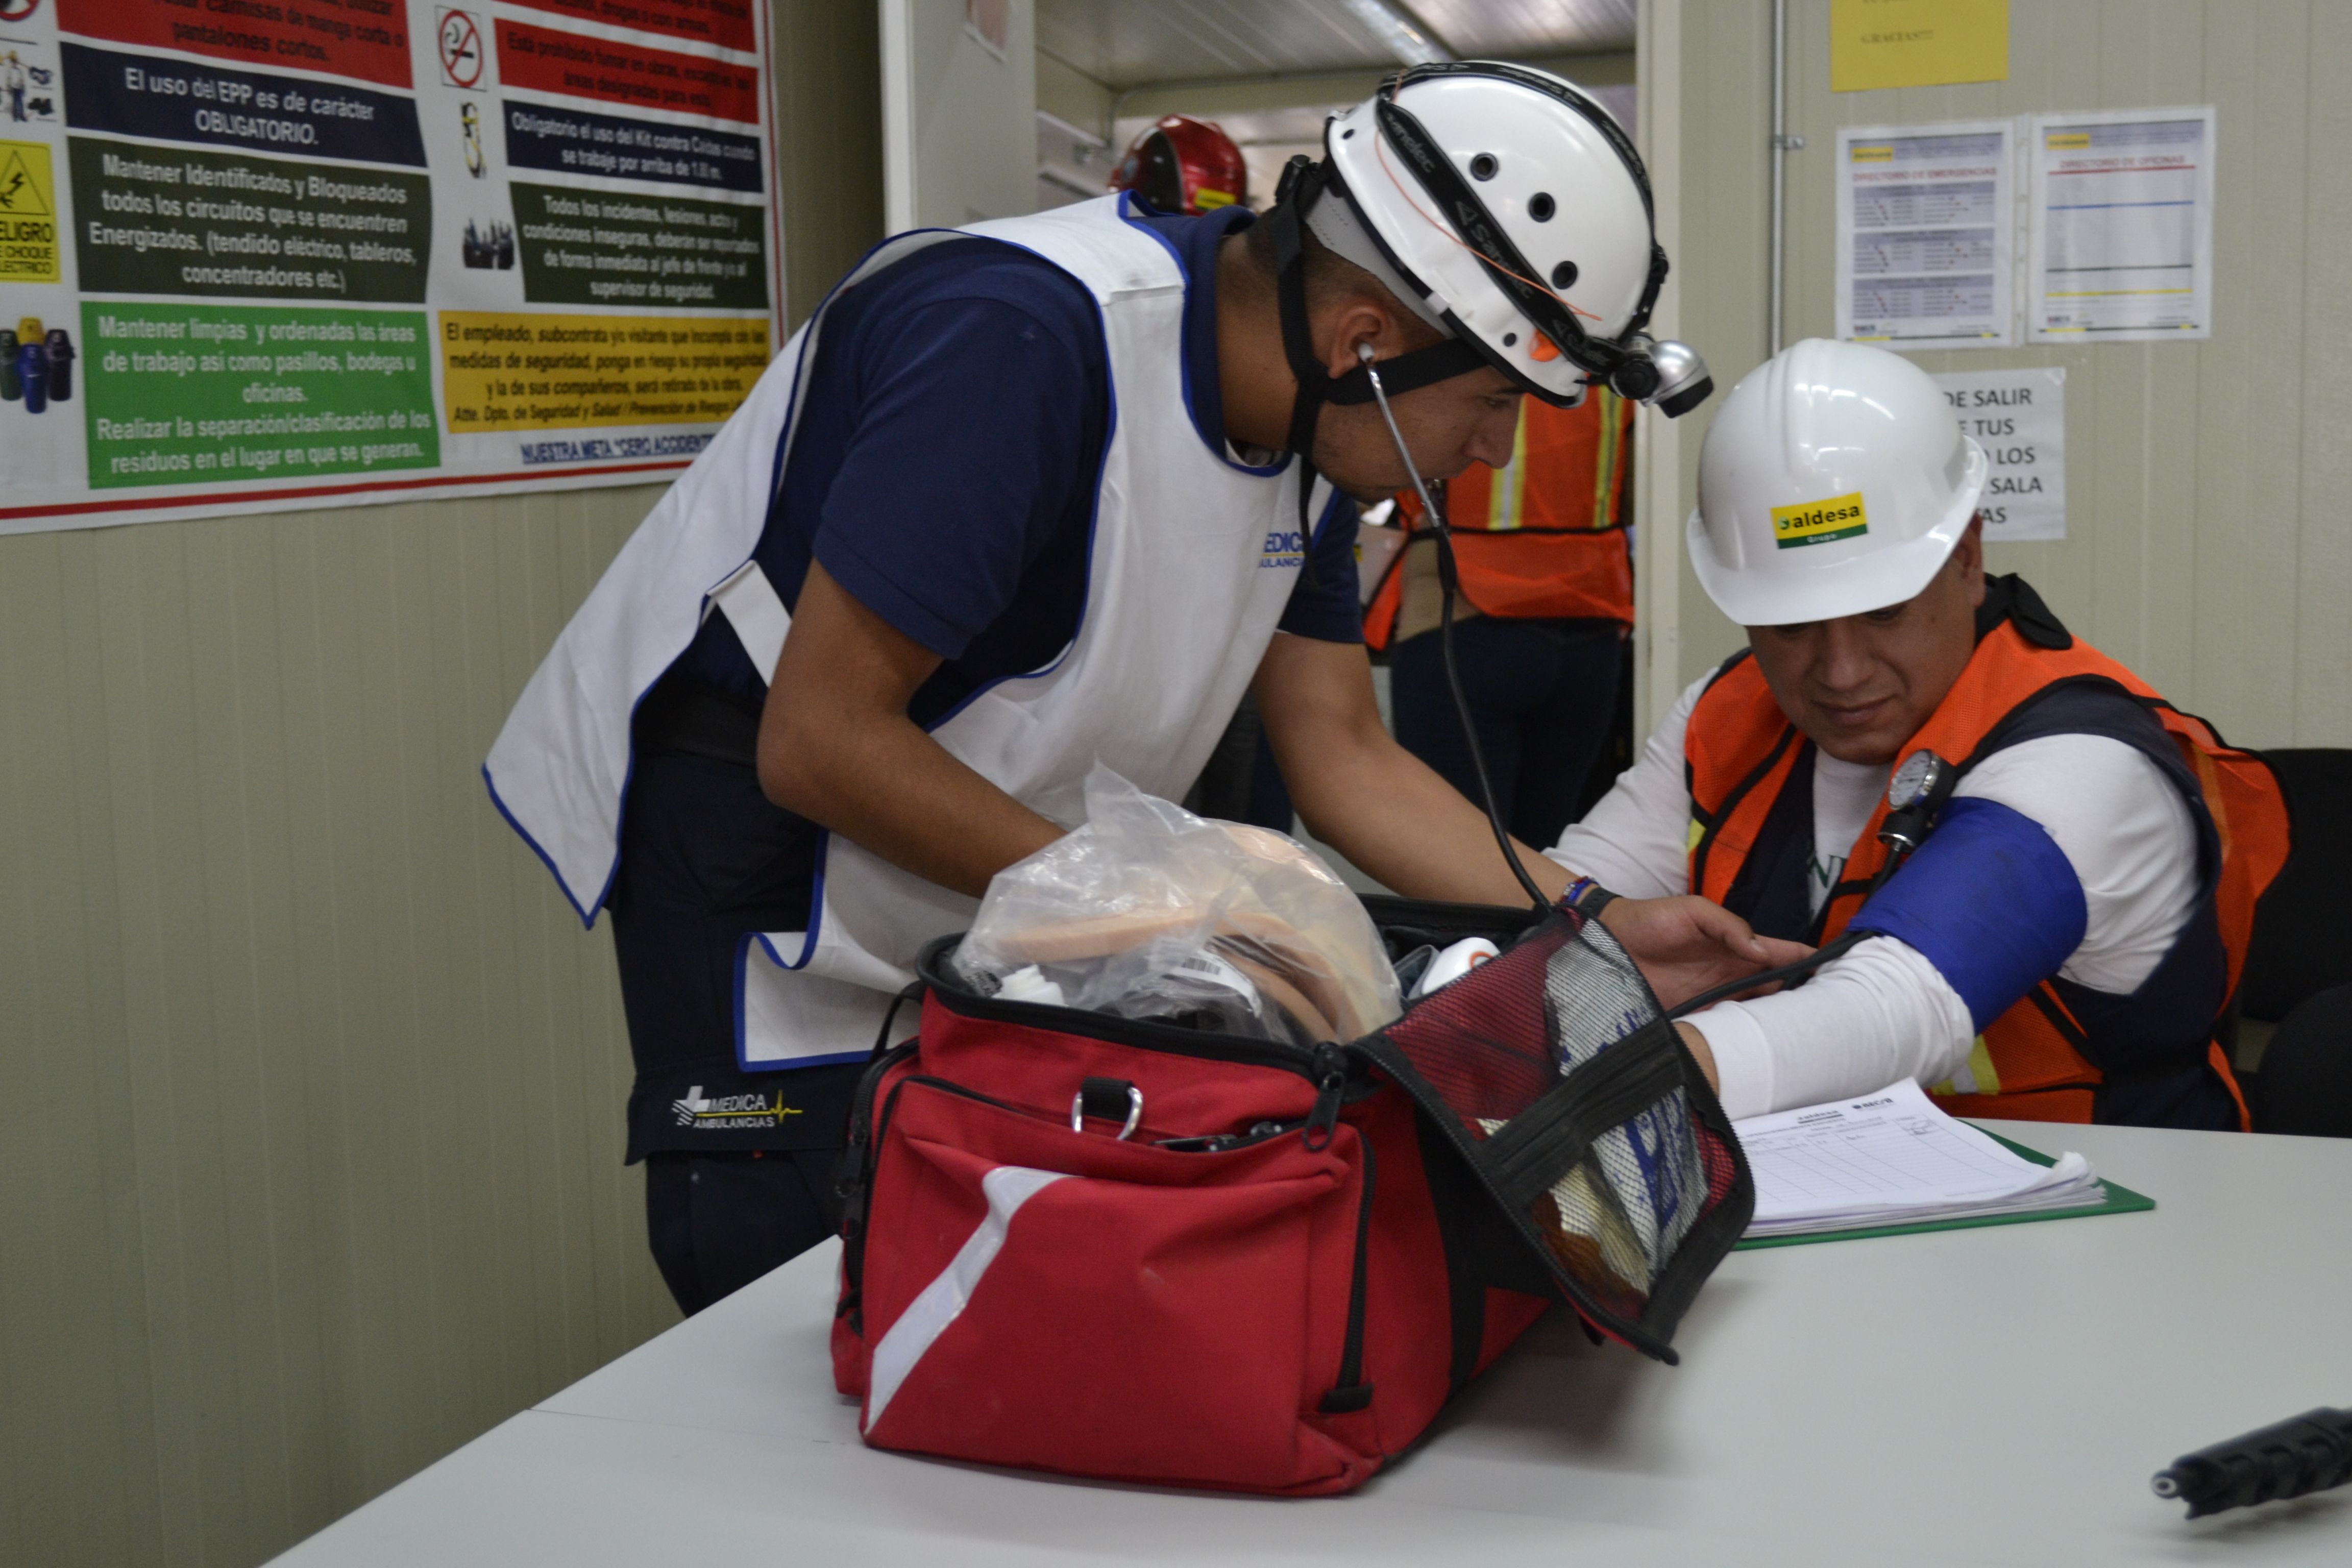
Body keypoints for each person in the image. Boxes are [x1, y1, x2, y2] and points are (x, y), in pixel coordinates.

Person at [485, 62, 1760, 1314]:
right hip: (764, 861)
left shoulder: (1307, 430)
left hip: (993, 849)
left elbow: (1344, 756)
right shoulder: (1023, 343)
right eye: (1492, 400)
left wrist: (1587, 915)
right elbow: (817, 740)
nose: (1494, 451)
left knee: (989, 1262)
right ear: (1364, 338)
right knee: (795, 1290)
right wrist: (1165, 902)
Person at [1546, 338, 2289, 1129]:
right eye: (1793, 625)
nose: (1840, 671)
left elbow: (1896, 1009)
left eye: (1884, 612)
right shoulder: (1728, 711)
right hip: (1812, 1203)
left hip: (2105, 1219)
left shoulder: (2088, 767)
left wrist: (1591, 1086)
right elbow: (1559, 908)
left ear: (1967, 560)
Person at [1367, 386, 1636, 849]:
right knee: (1545, 861)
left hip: (1459, 616)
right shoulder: (1606, 360)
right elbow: (1631, 495)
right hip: (1588, 626)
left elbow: (1372, 467)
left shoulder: (1457, 335)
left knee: (1451, 857)